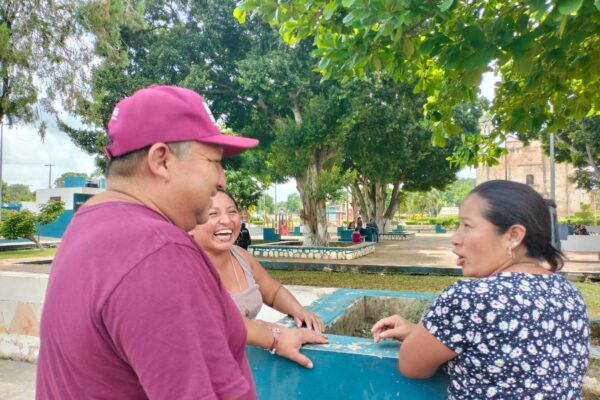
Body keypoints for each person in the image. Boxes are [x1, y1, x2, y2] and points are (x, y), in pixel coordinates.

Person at [37, 85, 261, 399]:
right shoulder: (159, 253)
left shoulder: (88, 224)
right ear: (161, 160)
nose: (221, 179)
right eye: (214, 161)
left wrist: (276, 335)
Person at [371, 180, 589, 399]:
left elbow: (412, 366)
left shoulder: (472, 298)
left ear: (513, 235)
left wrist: (419, 337)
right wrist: (418, 332)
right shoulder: (569, 292)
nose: (455, 239)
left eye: (467, 226)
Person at [192, 189, 327, 368]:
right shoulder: (187, 267)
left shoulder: (241, 256)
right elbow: (221, 324)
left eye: (232, 211)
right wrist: (274, 336)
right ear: (191, 224)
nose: (226, 220)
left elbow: (272, 291)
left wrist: (298, 310)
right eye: (212, 214)